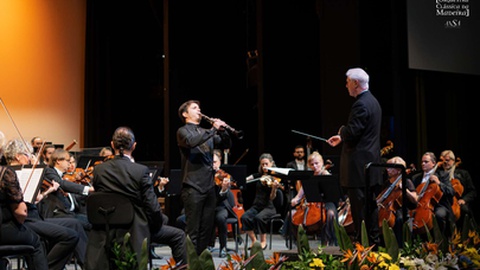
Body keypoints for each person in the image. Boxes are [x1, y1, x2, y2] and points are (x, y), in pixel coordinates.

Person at [85, 126, 186, 269]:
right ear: (134, 146)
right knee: (179, 235)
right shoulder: (140, 171)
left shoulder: (99, 170)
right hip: (134, 229)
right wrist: (156, 225)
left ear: (112, 145)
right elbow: (152, 206)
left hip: (105, 229)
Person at [3, 138, 85, 269]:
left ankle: (86, 265)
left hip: (34, 217)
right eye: (27, 154)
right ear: (18, 157)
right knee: (69, 236)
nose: (30, 158)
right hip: (25, 220)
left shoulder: (25, 171)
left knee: (74, 224)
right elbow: (19, 208)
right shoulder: (11, 174)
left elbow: (32, 199)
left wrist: (48, 191)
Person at [326, 67, 383, 246]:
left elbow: (353, 132)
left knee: (361, 213)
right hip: (369, 166)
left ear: (356, 83)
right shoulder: (373, 101)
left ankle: (364, 249)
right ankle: (371, 247)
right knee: (369, 210)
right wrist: (342, 137)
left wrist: (343, 131)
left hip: (359, 169)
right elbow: (361, 133)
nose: (346, 85)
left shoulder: (360, 104)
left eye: (348, 82)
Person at [176, 100, 232, 255]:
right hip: (193, 186)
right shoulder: (183, 131)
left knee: (206, 231)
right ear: (185, 114)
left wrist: (224, 130)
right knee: (193, 230)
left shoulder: (206, 133)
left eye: (199, 107)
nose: (199, 110)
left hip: (209, 187)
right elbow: (192, 142)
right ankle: (189, 264)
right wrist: (212, 130)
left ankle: (200, 262)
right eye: (194, 108)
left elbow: (226, 143)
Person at [289, 151, 337, 246]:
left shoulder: (326, 175)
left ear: (322, 163)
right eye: (312, 164)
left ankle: (327, 242)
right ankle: (300, 243)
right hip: (311, 204)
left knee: (330, 214)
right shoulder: (309, 177)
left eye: (317, 163)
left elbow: (333, 193)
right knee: (291, 215)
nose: (315, 166)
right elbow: (300, 194)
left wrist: (325, 174)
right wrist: (295, 199)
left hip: (327, 202)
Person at [39, 148, 94, 231]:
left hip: (71, 212)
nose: (70, 164)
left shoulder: (63, 175)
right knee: (90, 223)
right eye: (68, 160)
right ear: (58, 161)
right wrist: (88, 189)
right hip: (58, 213)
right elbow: (62, 184)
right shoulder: (49, 171)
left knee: (94, 219)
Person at [410, 152, 455, 237]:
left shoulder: (442, 175)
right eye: (422, 162)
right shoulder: (415, 178)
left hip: (439, 204)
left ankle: (440, 241)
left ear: (434, 163)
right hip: (420, 205)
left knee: (439, 215)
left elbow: (451, 191)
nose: (423, 164)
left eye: (426, 162)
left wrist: (439, 183)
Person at [242, 153, 282, 249]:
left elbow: (272, 198)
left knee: (259, 218)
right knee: (245, 217)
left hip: (269, 207)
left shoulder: (274, 178)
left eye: (266, 164)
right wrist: (242, 181)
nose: (264, 166)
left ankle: (263, 242)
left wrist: (274, 188)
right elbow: (246, 179)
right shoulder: (258, 176)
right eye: (262, 164)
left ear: (271, 164)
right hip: (257, 205)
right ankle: (254, 241)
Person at [378, 156, 418, 247]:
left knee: (399, 219)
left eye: (390, 167)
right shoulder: (387, 183)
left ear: (399, 170)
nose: (387, 169)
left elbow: (415, 200)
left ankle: (400, 247)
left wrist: (405, 190)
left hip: (400, 209)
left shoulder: (406, 181)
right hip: (387, 208)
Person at [210, 150, 240, 258]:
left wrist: (223, 189)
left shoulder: (225, 176)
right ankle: (207, 245)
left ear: (219, 162)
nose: (213, 165)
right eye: (211, 162)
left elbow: (224, 197)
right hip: (207, 206)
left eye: (215, 162)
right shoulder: (204, 175)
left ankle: (223, 247)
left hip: (221, 206)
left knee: (221, 218)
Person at [438, 150, 477, 228]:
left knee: (464, 210)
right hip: (444, 203)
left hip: (458, 202)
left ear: (453, 160)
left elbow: (472, 191)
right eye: (443, 160)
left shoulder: (463, 174)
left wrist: (464, 200)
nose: (445, 163)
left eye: (447, 160)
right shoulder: (439, 174)